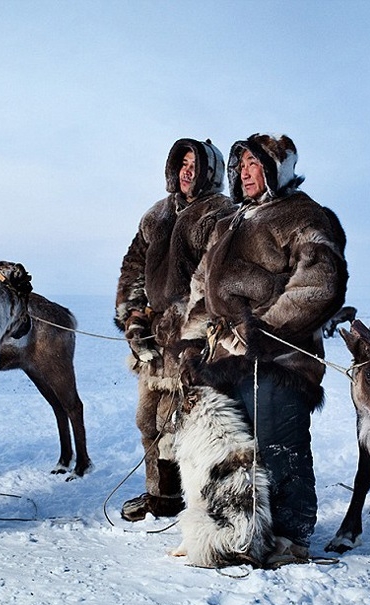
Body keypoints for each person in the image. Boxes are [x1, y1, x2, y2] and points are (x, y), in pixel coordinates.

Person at [182, 133, 348, 563]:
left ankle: (292, 538)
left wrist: (265, 331)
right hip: (224, 358)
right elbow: (203, 287)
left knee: (279, 445)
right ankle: (240, 531)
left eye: (255, 164)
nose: (245, 172)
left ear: (278, 169)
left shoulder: (304, 215)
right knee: (234, 453)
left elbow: (320, 283)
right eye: (241, 165)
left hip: (280, 358)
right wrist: (193, 342)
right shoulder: (228, 223)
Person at [115, 138, 234, 522]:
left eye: (194, 163)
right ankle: (159, 494)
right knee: (148, 419)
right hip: (151, 336)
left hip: (191, 338)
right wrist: (134, 317)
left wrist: (192, 329)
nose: (187, 170)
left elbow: (213, 276)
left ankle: (187, 499)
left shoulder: (219, 212)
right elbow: (133, 265)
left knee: (182, 420)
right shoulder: (156, 215)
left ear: (209, 170)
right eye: (181, 162)